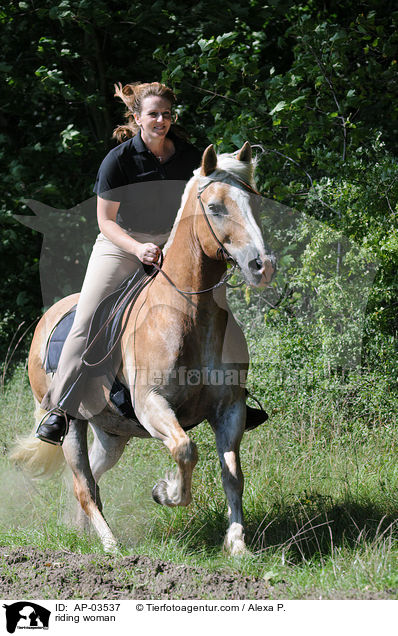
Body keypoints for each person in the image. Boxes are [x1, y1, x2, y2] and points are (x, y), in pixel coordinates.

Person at [36, 81, 202, 445]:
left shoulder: (189, 156)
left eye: (167, 114)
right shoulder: (119, 160)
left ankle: (229, 394)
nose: (161, 120)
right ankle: (59, 409)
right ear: (137, 117)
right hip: (122, 244)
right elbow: (106, 221)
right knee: (88, 317)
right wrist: (138, 248)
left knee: (210, 302)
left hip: (172, 245)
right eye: (154, 114)